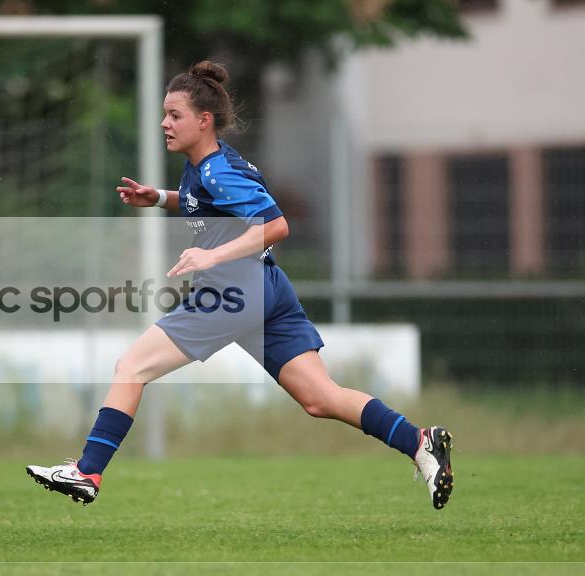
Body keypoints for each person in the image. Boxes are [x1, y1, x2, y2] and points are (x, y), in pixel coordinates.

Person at [27, 61, 453, 510]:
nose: (164, 123)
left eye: (174, 115)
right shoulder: (207, 166)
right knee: (320, 398)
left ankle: (87, 472)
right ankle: (420, 441)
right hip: (266, 288)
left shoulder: (218, 172)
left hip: (232, 291)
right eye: (165, 114)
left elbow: (276, 225)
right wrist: (160, 198)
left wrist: (212, 256)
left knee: (131, 367)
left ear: (203, 120)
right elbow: (212, 208)